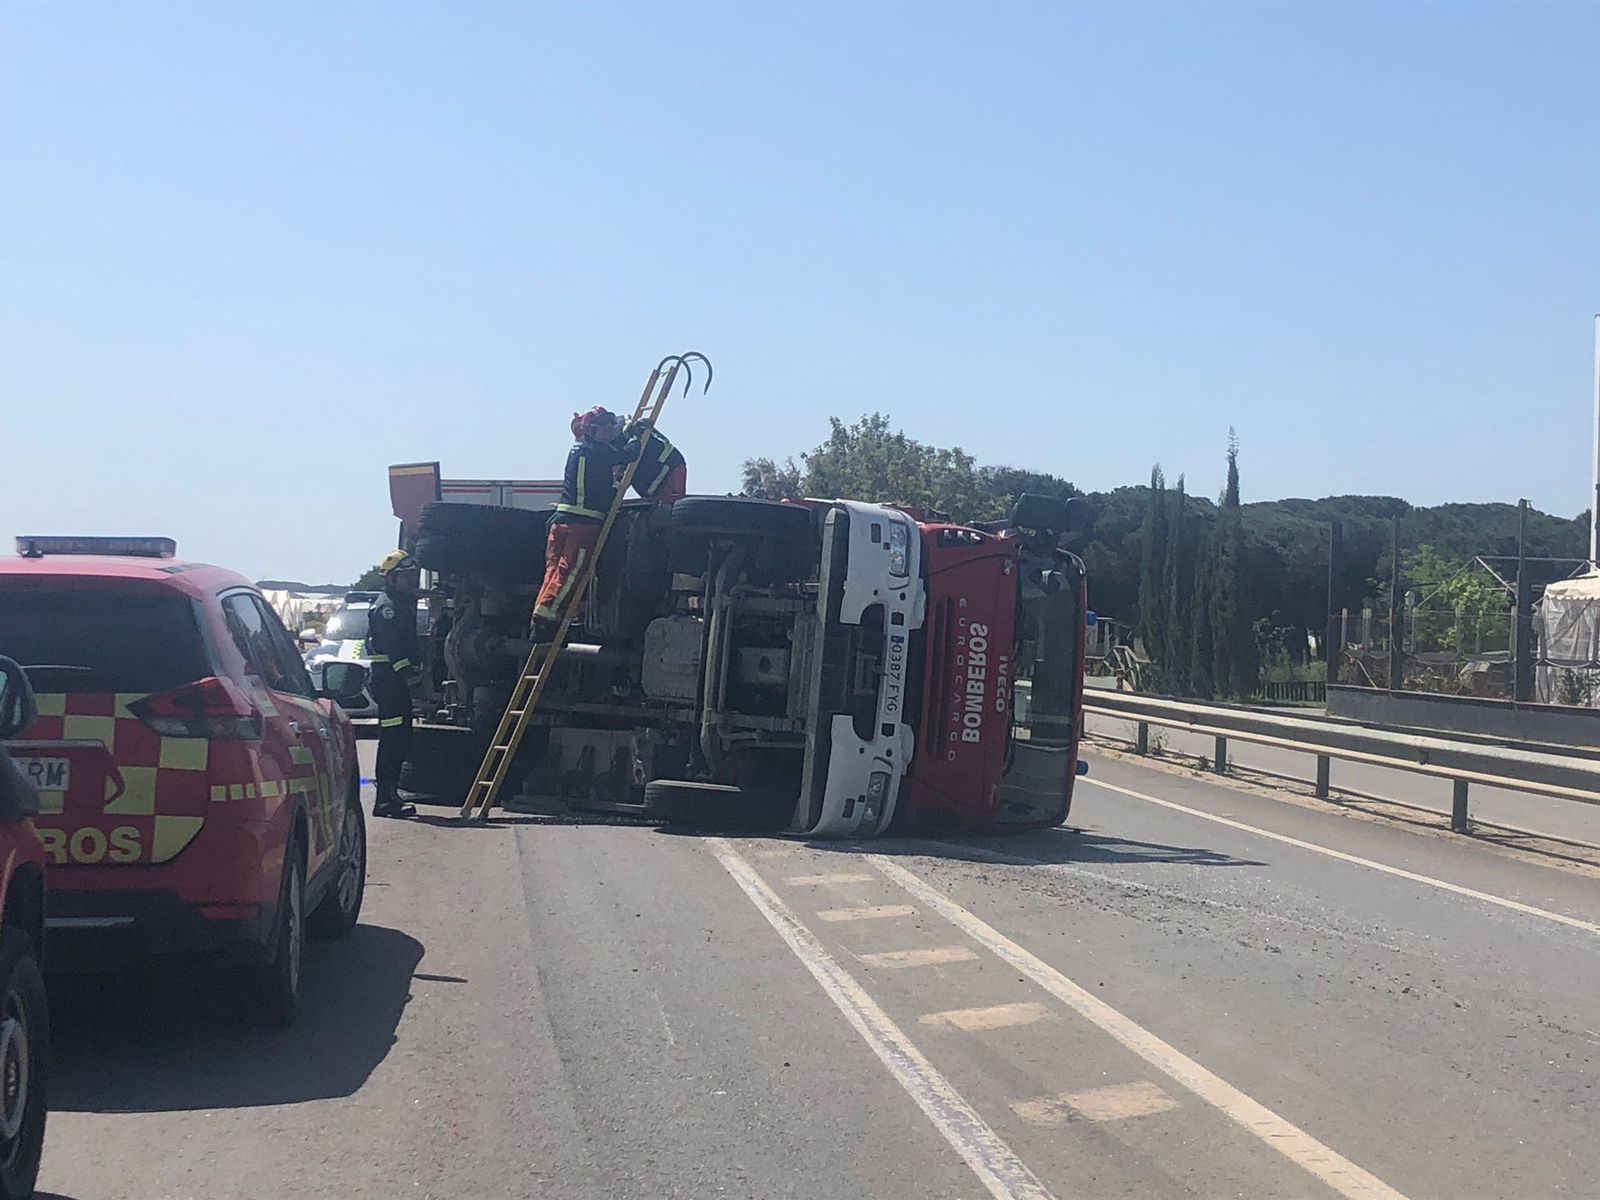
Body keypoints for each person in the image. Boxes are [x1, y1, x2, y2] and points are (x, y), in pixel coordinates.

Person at [531, 407, 641, 641]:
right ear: (592, 430)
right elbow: (630, 453)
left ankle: (539, 617)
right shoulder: (598, 451)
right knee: (571, 573)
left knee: (553, 572)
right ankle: (546, 621)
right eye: (605, 428)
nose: (610, 432)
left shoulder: (579, 450)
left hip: (561, 521)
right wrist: (636, 433)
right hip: (582, 525)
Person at [367, 549, 421, 818]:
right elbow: (392, 648)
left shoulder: (399, 603)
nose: (413, 580)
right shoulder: (387, 608)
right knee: (392, 740)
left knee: (401, 739)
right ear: (392, 579)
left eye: (414, 575)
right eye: (407, 576)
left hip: (394, 681)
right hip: (389, 681)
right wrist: (409, 676)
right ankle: (384, 800)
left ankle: (390, 795)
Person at [619, 416, 687, 502]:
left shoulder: (621, 429)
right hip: (651, 482)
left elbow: (629, 426)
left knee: (673, 505)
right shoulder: (607, 448)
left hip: (670, 467)